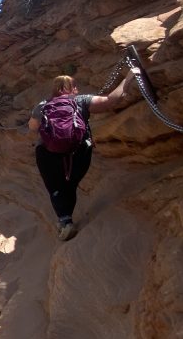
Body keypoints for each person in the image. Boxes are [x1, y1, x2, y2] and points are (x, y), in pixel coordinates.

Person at [28, 69, 137, 241]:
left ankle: (65, 222)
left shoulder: (42, 105)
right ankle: (66, 217)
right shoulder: (82, 100)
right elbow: (111, 101)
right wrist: (129, 77)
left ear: (54, 89)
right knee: (70, 184)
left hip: (47, 152)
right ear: (74, 88)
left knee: (55, 187)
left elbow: (33, 128)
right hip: (79, 149)